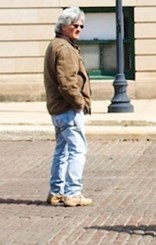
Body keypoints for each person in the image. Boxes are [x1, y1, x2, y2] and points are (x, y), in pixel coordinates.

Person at [43, 6, 93, 207]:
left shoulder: (56, 45)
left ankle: (56, 192)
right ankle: (72, 193)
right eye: (75, 25)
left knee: (62, 151)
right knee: (77, 150)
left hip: (58, 108)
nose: (79, 28)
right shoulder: (64, 49)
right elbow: (67, 81)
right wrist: (79, 103)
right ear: (63, 26)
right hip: (67, 109)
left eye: (81, 25)